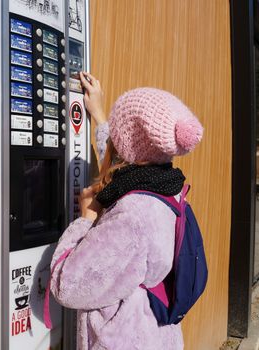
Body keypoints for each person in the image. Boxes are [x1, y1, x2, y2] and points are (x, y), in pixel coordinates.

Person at [49, 72, 204, 349]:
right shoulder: (166, 186)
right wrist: (98, 114)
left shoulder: (132, 218)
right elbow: (121, 161)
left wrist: (86, 219)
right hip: (155, 335)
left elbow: (66, 285)